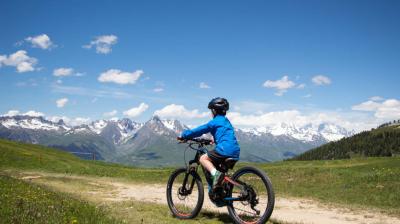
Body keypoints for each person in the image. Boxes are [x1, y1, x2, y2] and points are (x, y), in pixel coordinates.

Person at [179, 97, 240, 190]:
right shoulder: (226, 122)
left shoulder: (214, 122)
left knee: (203, 158)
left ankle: (216, 175)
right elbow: (225, 135)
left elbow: (199, 130)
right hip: (235, 151)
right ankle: (221, 189)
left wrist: (185, 135)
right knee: (218, 167)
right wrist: (213, 139)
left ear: (214, 111)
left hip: (224, 150)